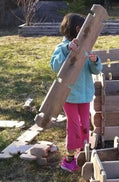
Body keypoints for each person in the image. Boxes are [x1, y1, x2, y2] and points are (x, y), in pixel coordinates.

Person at [50, 13, 103, 172]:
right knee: (73, 126)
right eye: (82, 28)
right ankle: (69, 158)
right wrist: (67, 50)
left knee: (85, 124)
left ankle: (83, 153)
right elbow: (55, 65)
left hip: (85, 95)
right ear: (76, 29)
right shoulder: (62, 47)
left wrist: (95, 61)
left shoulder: (86, 47)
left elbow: (95, 70)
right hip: (70, 96)